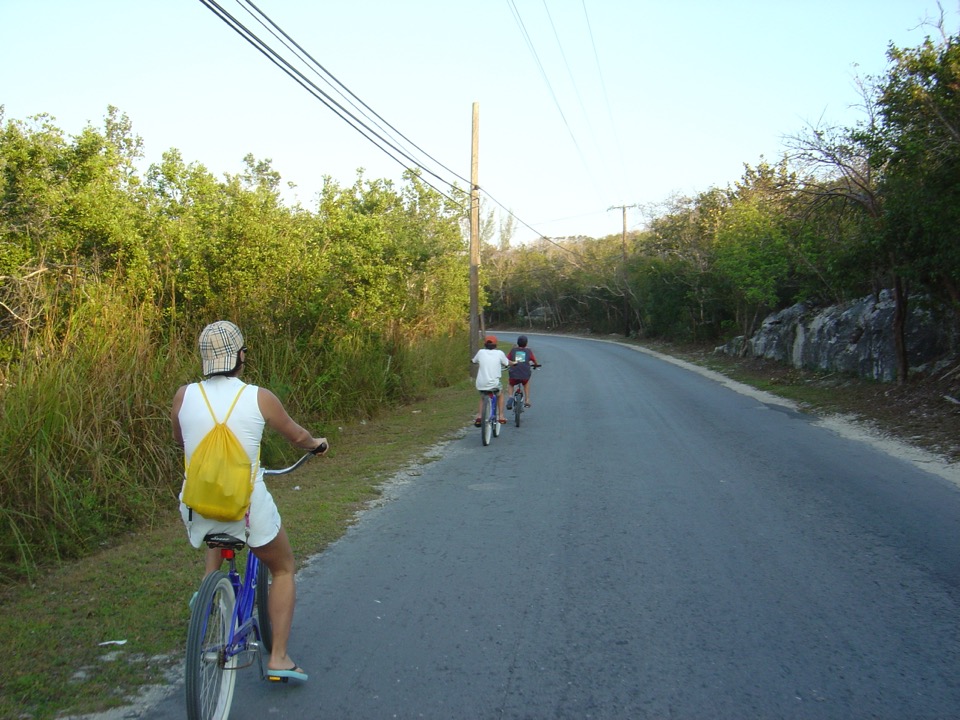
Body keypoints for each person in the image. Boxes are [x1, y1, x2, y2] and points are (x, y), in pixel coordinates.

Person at [171, 320, 327, 682]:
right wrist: (317, 445)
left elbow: (180, 441)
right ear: (240, 356)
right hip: (247, 507)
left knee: (215, 517)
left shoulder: (184, 395)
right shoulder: (259, 397)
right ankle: (279, 659)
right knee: (283, 568)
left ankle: (209, 588)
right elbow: (298, 436)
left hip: (196, 504)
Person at [471, 334, 514, 426]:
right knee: (501, 394)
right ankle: (501, 416)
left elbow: (474, 361)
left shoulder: (480, 352)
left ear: (485, 344)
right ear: (496, 345)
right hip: (494, 384)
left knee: (483, 397)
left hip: (481, 384)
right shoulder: (500, 353)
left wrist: (473, 361)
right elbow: (507, 363)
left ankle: (479, 416)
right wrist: (513, 363)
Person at [506, 335, 539, 408]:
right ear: (526, 343)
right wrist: (536, 365)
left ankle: (510, 397)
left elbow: (507, 359)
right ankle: (527, 400)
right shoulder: (528, 351)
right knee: (526, 383)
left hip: (514, 374)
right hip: (525, 374)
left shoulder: (513, 350)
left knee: (511, 384)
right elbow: (534, 360)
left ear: (517, 343)